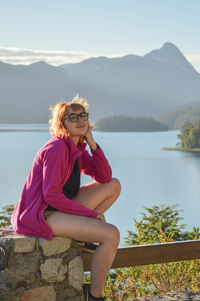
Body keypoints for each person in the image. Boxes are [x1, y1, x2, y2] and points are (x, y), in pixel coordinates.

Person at [11, 95, 121, 301]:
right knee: (110, 235)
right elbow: (51, 196)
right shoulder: (57, 148)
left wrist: (92, 144)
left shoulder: (76, 147)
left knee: (113, 185)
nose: (80, 120)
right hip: (42, 213)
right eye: (73, 117)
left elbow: (104, 177)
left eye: (83, 116)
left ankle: (79, 237)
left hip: (58, 208)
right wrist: (91, 215)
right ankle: (94, 296)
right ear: (62, 124)